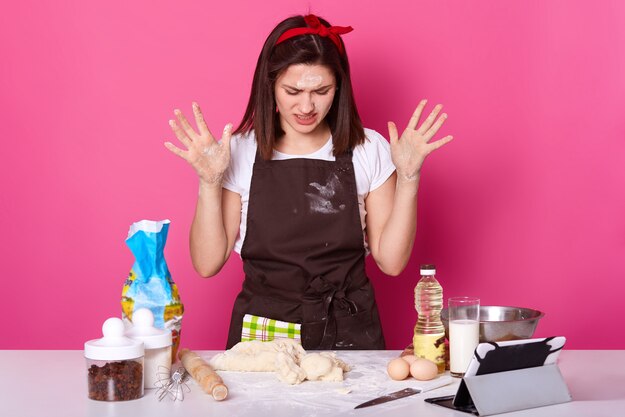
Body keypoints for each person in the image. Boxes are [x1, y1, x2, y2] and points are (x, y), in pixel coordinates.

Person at [164, 14, 453, 350]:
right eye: (293, 91)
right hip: (263, 334)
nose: (306, 106)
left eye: (321, 90)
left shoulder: (368, 149)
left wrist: (409, 177)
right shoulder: (241, 152)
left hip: (349, 330)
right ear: (269, 85)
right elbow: (207, 262)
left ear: (339, 88)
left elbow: (392, 262)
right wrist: (209, 182)